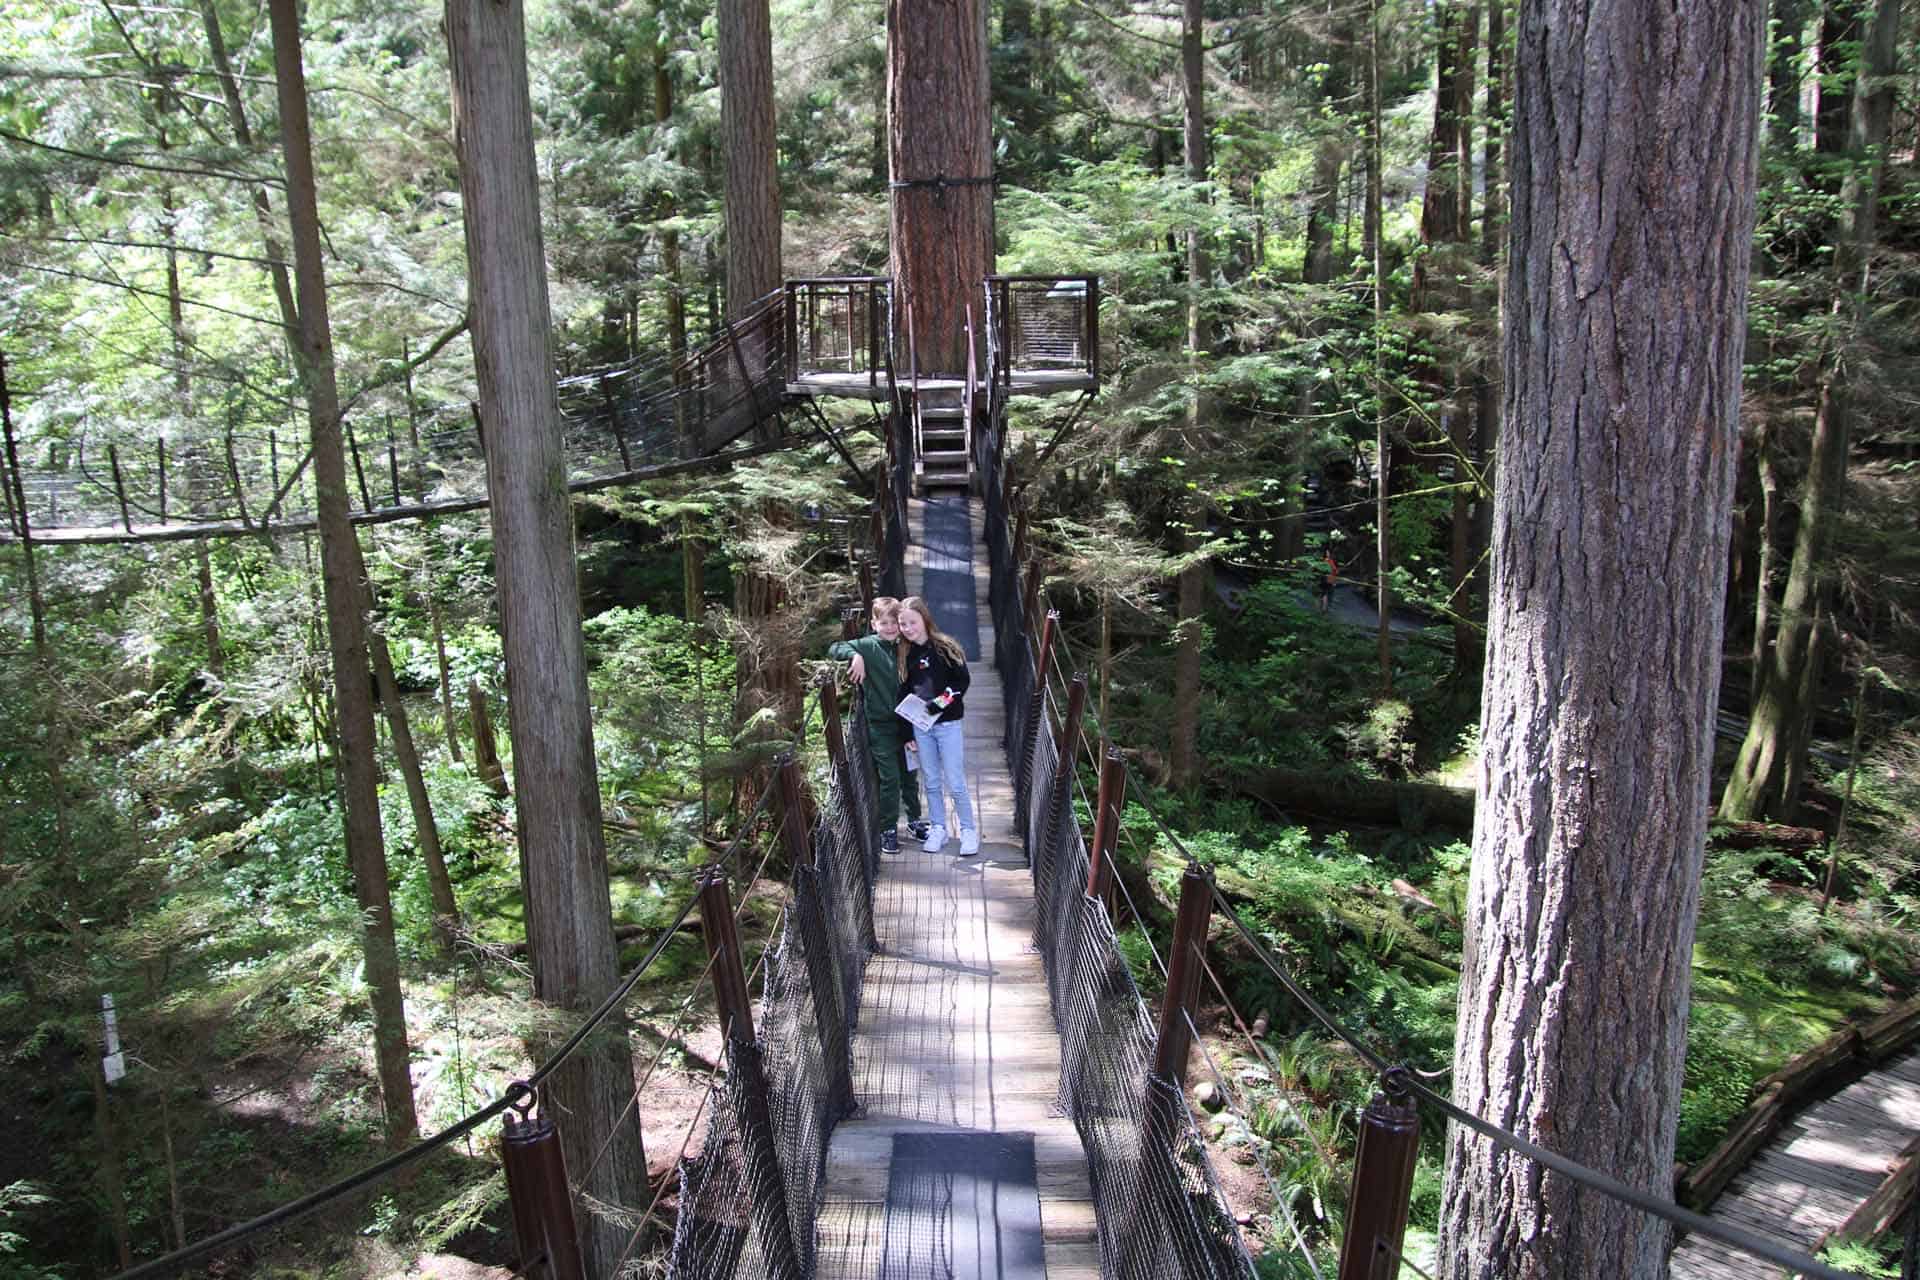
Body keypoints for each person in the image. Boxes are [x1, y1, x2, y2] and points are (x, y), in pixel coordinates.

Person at [828, 597, 928, 855]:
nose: (890, 627)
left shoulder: (907, 646)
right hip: (881, 726)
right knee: (890, 778)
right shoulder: (869, 647)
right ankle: (888, 829)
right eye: (883, 623)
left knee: (909, 775)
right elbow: (834, 648)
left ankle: (915, 821)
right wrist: (855, 655)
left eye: (894, 622)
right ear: (873, 624)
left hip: (909, 723)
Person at [896, 595, 977, 856]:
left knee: (955, 781)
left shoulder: (945, 647)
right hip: (922, 728)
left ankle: (968, 831)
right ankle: (939, 828)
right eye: (903, 624)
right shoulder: (906, 653)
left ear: (924, 619)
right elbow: (905, 692)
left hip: (948, 724)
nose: (908, 628)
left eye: (912, 622)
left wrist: (939, 705)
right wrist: (908, 732)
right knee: (930, 780)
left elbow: (962, 682)